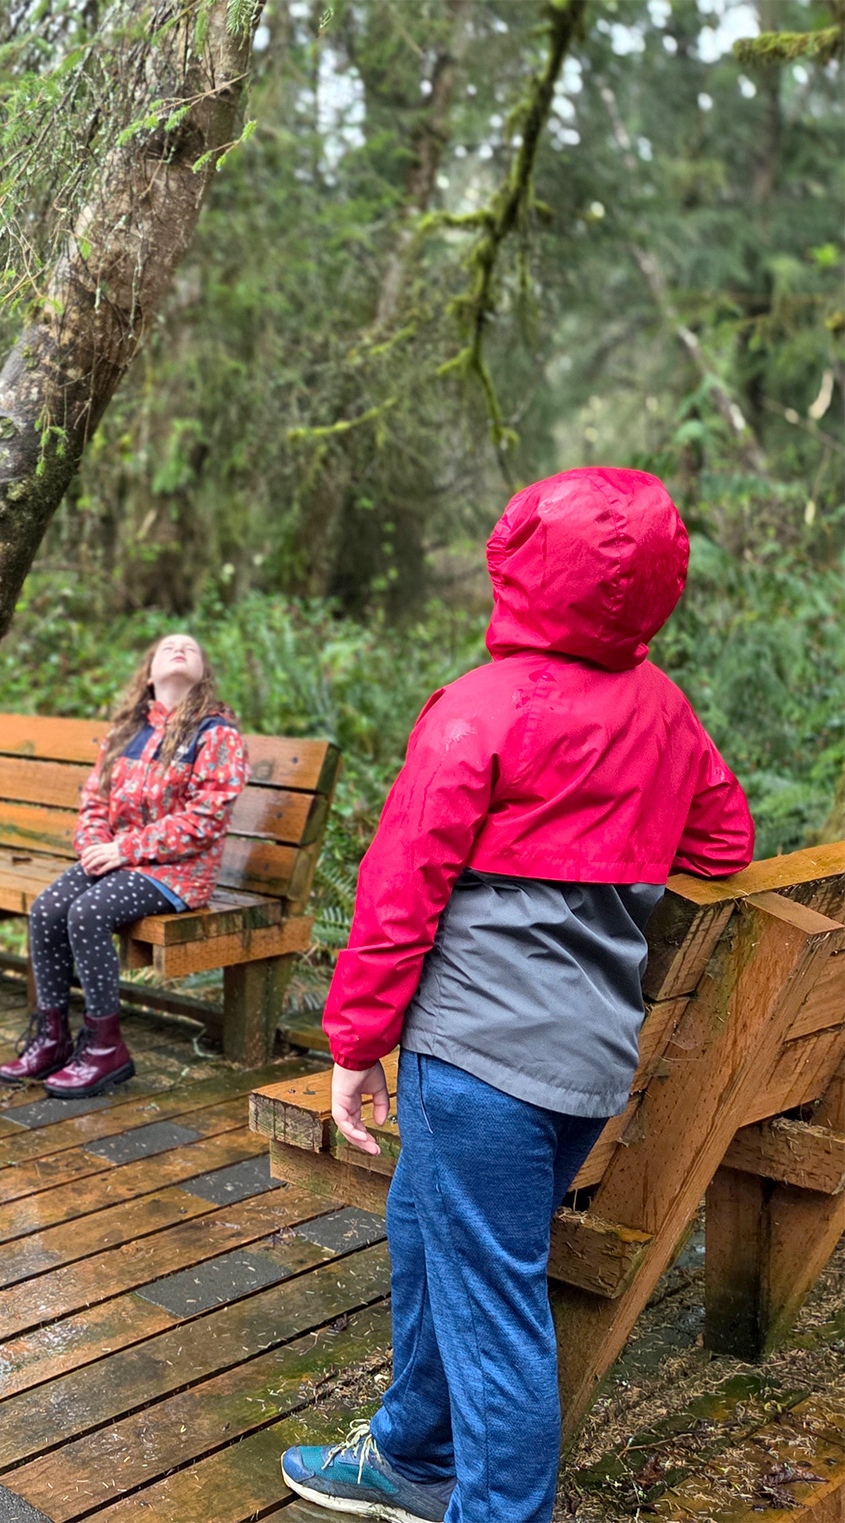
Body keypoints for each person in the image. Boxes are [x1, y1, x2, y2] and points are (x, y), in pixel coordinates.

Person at [282, 467, 755, 1523]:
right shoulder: (661, 709)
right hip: (582, 1066)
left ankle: (497, 1509)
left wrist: (354, 1044)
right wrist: (607, 826)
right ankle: (408, 1451)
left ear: (521, 562)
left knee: (493, 1303)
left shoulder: (478, 708)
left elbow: (398, 887)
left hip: (478, 1063)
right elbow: (724, 840)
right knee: (424, 1228)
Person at [0, 632, 251, 1098]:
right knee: (48, 908)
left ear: (204, 673)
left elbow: (206, 819)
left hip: (180, 872)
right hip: (121, 861)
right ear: (149, 673)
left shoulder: (215, 734)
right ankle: (53, 1037)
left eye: (191, 648)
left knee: (87, 912)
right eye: (167, 647)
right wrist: (97, 846)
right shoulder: (126, 733)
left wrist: (125, 849)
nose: (180, 649)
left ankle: (105, 1048)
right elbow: (93, 802)